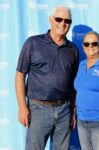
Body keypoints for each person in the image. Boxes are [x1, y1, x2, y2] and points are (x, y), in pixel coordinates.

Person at [15, 6, 78, 150]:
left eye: (67, 21)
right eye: (59, 19)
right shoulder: (33, 43)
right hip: (38, 109)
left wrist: (73, 109)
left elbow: (74, 83)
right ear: (50, 20)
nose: (63, 24)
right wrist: (22, 107)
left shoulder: (72, 50)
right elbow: (20, 75)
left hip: (64, 110)